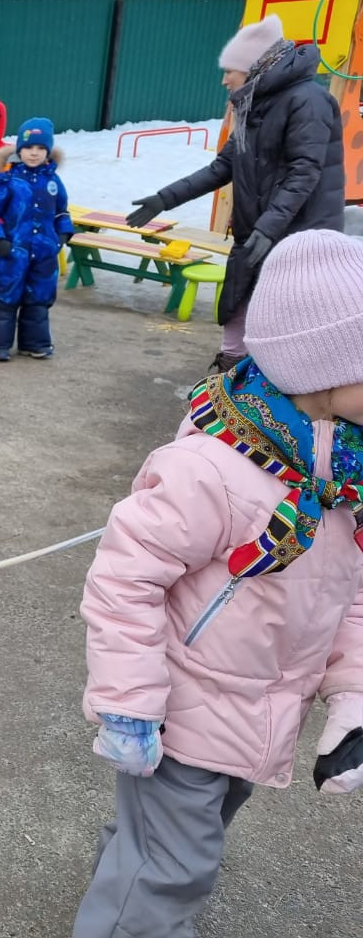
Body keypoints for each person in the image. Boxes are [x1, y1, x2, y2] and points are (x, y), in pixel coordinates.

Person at [72, 228, 363, 938]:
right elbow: (123, 579)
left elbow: (349, 594)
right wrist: (131, 704)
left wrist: (352, 698)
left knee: (170, 846)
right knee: (175, 867)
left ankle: (125, 892)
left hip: (262, 710)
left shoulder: (344, 475)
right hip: (180, 713)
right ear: (319, 369)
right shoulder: (211, 468)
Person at [125, 15, 344, 374]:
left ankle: (273, 389)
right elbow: (221, 167)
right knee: (238, 301)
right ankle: (231, 375)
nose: (225, 79)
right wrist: (165, 198)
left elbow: (305, 171)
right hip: (259, 228)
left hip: (300, 232)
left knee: (282, 316)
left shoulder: (309, 100)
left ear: (255, 65)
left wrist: (268, 227)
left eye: (231, 70)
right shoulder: (253, 102)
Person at [0, 117, 73, 362]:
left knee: (39, 299)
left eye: (41, 148)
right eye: (29, 147)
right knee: (4, 298)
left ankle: (35, 343)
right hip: (13, 251)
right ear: (20, 149)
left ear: (48, 151)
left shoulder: (53, 181)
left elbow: (62, 211)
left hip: (44, 253)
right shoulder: (9, 180)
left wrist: (61, 236)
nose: (34, 153)